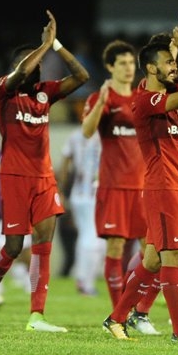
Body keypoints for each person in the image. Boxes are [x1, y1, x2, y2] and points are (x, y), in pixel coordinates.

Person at [0, 10, 89, 332]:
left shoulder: (44, 94)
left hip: (43, 177)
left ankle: (36, 316)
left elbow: (81, 77)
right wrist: (42, 46)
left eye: (39, 63)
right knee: (13, 247)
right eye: (30, 63)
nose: (36, 66)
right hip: (13, 177)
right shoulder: (3, 91)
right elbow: (22, 68)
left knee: (43, 244)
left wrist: (57, 46)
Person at [102, 27, 178, 343]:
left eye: (174, 62)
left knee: (152, 259)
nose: (173, 67)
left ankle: (116, 318)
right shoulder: (146, 100)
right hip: (163, 187)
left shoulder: (163, 93)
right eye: (168, 62)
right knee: (173, 257)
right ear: (151, 67)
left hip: (175, 185)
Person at [80, 40, 147, 311]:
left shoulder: (141, 98)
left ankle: (139, 310)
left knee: (151, 252)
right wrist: (101, 104)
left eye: (132, 63)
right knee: (115, 248)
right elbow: (86, 131)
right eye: (122, 63)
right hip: (114, 185)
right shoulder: (100, 98)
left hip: (143, 186)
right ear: (110, 67)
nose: (129, 68)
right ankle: (118, 312)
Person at [58, 127, 103, 297]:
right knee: (95, 238)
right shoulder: (104, 134)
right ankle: (86, 282)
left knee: (85, 236)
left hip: (78, 194)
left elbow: (65, 163)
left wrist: (62, 190)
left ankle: (82, 278)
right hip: (96, 194)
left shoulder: (75, 135)